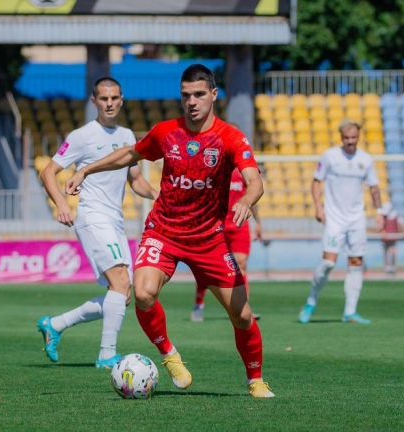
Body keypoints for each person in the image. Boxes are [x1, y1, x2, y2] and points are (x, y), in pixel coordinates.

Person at [65, 64, 274, 398]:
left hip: (208, 239)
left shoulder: (230, 137)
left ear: (213, 95)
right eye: (186, 95)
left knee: (242, 314)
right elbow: (129, 154)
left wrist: (247, 201)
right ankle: (169, 355)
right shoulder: (166, 132)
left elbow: (254, 180)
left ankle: (256, 380)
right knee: (143, 293)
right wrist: (86, 170)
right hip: (164, 232)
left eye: (199, 94)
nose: (192, 102)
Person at [36, 77, 158, 369]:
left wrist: (159, 195)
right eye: (104, 99)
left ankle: (54, 324)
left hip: (115, 221)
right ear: (94, 102)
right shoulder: (82, 136)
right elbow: (47, 172)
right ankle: (106, 355)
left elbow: (136, 180)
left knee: (122, 294)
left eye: (114, 98)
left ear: (122, 100)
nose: (110, 103)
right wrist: (61, 204)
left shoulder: (127, 135)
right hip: (92, 217)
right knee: (120, 283)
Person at [298, 119, 384, 325]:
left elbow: (374, 187)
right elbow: (316, 182)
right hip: (334, 218)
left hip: (357, 218)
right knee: (328, 262)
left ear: (358, 137)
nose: (350, 141)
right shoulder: (330, 156)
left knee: (356, 262)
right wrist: (318, 207)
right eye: (346, 138)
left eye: (353, 138)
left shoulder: (366, 159)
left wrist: (379, 212)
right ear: (341, 137)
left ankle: (350, 312)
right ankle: (311, 301)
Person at [190, 167, 263, 322]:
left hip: (239, 224)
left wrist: (257, 221)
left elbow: (252, 195)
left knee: (241, 264)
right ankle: (199, 303)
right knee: (206, 268)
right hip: (216, 224)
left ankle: (243, 307)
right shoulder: (214, 167)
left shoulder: (244, 169)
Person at [379, 201, 404, 274]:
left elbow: (401, 224)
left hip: (393, 238)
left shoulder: (396, 215)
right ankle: (386, 267)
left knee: (393, 252)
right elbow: (380, 226)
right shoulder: (383, 216)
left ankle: (393, 266)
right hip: (385, 238)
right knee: (385, 252)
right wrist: (383, 232)